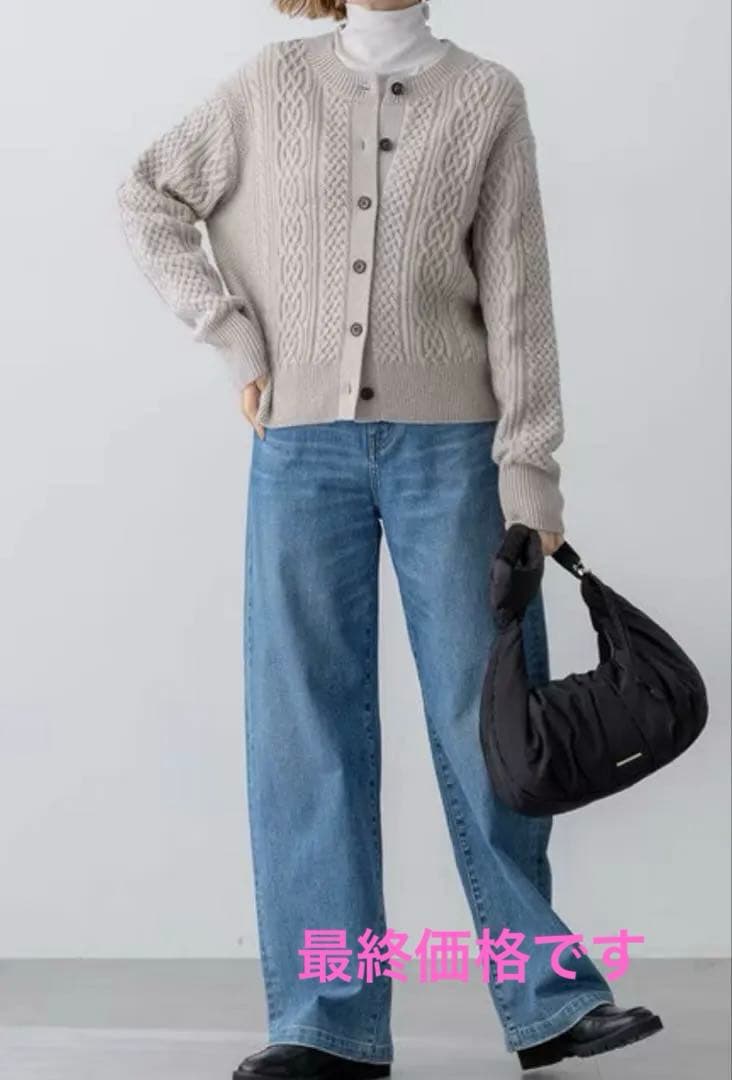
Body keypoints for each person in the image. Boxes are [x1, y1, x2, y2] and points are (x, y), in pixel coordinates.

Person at [116, 1, 663, 1077]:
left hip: (454, 451)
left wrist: (530, 470)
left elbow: (518, 292)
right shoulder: (268, 86)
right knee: (304, 726)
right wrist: (232, 333)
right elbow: (148, 195)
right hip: (299, 448)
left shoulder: (486, 97)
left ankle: (551, 1002)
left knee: (487, 718)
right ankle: (327, 1022)